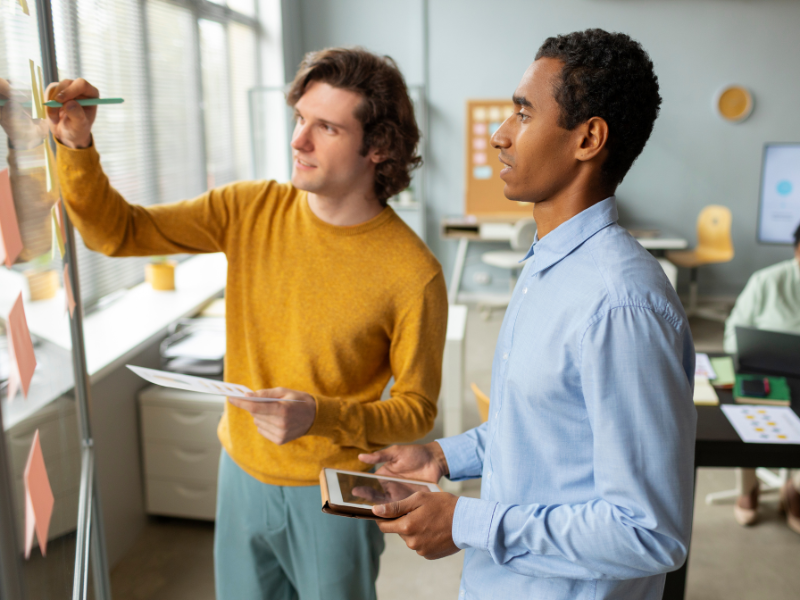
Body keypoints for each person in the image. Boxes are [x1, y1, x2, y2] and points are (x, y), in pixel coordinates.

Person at [44, 48, 447, 600]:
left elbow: (417, 410)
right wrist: (77, 145)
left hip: (335, 486)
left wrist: (319, 415)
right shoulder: (250, 208)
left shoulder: (413, 272)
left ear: (377, 147)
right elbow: (119, 233)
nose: (298, 140)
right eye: (300, 118)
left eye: (325, 127)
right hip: (241, 469)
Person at [360, 30, 697, 600]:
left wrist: (465, 522)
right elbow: (548, 433)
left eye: (522, 113)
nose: (499, 136)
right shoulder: (548, 266)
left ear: (588, 138)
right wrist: (442, 455)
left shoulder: (620, 305)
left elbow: (649, 531)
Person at [723, 223, 800, 531]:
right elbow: (733, 333)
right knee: (746, 413)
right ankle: (748, 488)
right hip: (762, 374)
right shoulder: (767, 281)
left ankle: (794, 489)